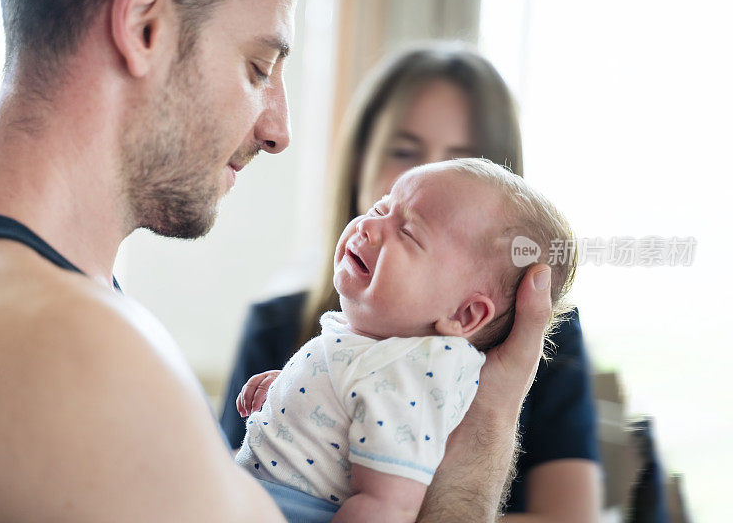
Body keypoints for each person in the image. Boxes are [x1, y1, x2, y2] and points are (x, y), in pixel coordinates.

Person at [0, 0, 551, 520]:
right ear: (143, 23)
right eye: (258, 67)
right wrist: (489, 422)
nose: (277, 129)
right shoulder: (80, 361)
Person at [221, 43, 603, 521]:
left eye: (465, 161)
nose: (422, 173)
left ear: (468, 314)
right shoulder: (297, 327)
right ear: (360, 161)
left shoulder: (417, 370)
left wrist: (491, 420)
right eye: (403, 152)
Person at [233, 159, 577, 523]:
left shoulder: (409, 376)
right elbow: (341, 403)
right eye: (381, 208)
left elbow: (387, 506)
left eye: (408, 233)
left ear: (464, 316)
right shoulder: (373, 350)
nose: (368, 226)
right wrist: (286, 388)